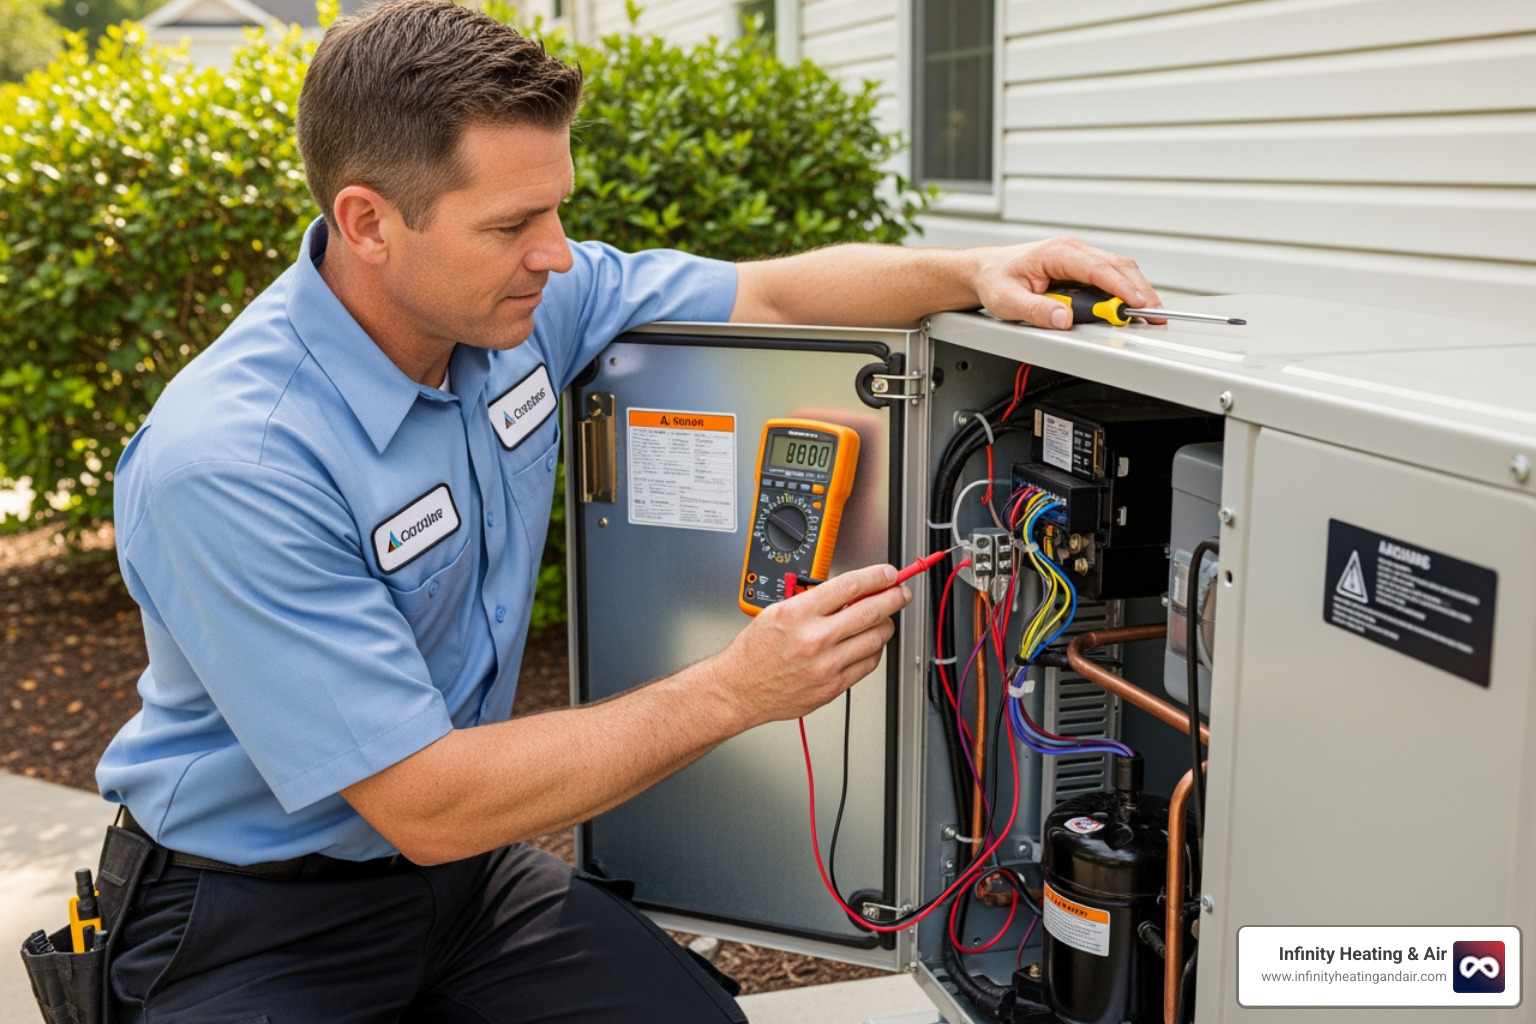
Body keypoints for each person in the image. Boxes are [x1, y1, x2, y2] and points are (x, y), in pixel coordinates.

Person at [94, 2, 1164, 1021]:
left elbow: (773, 295)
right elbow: (426, 801)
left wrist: (974, 268)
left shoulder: (514, 308)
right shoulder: (236, 462)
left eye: (555, 207)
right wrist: (741, 687)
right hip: (248, 913)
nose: (558, 253)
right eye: (514, 222)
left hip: (456, 885)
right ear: (367, 222)